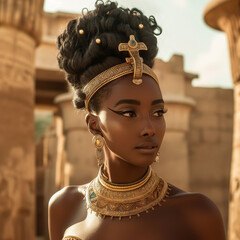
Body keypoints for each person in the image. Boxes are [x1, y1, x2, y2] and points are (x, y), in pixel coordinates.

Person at [48, 1, 226, 239]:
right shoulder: (64, 206)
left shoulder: (197, 214)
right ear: (94, 124)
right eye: (129, 113)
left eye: (158, 112)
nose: (149, 129)